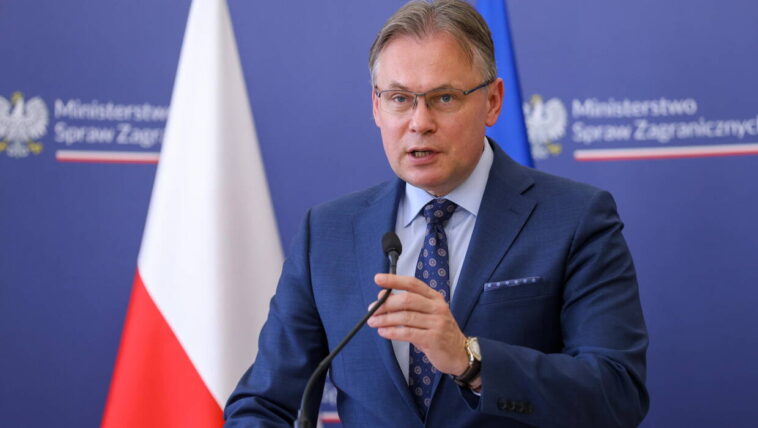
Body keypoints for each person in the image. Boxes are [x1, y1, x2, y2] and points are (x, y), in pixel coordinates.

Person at [224, 0, 649, 426]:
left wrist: (471, 361)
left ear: (492, 101)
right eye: (399, 98)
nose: (419, 122)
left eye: (444, 98)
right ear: (376, 107)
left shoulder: (574, 218)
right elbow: (261, 403)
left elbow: (618, 394)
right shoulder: (328, 233)